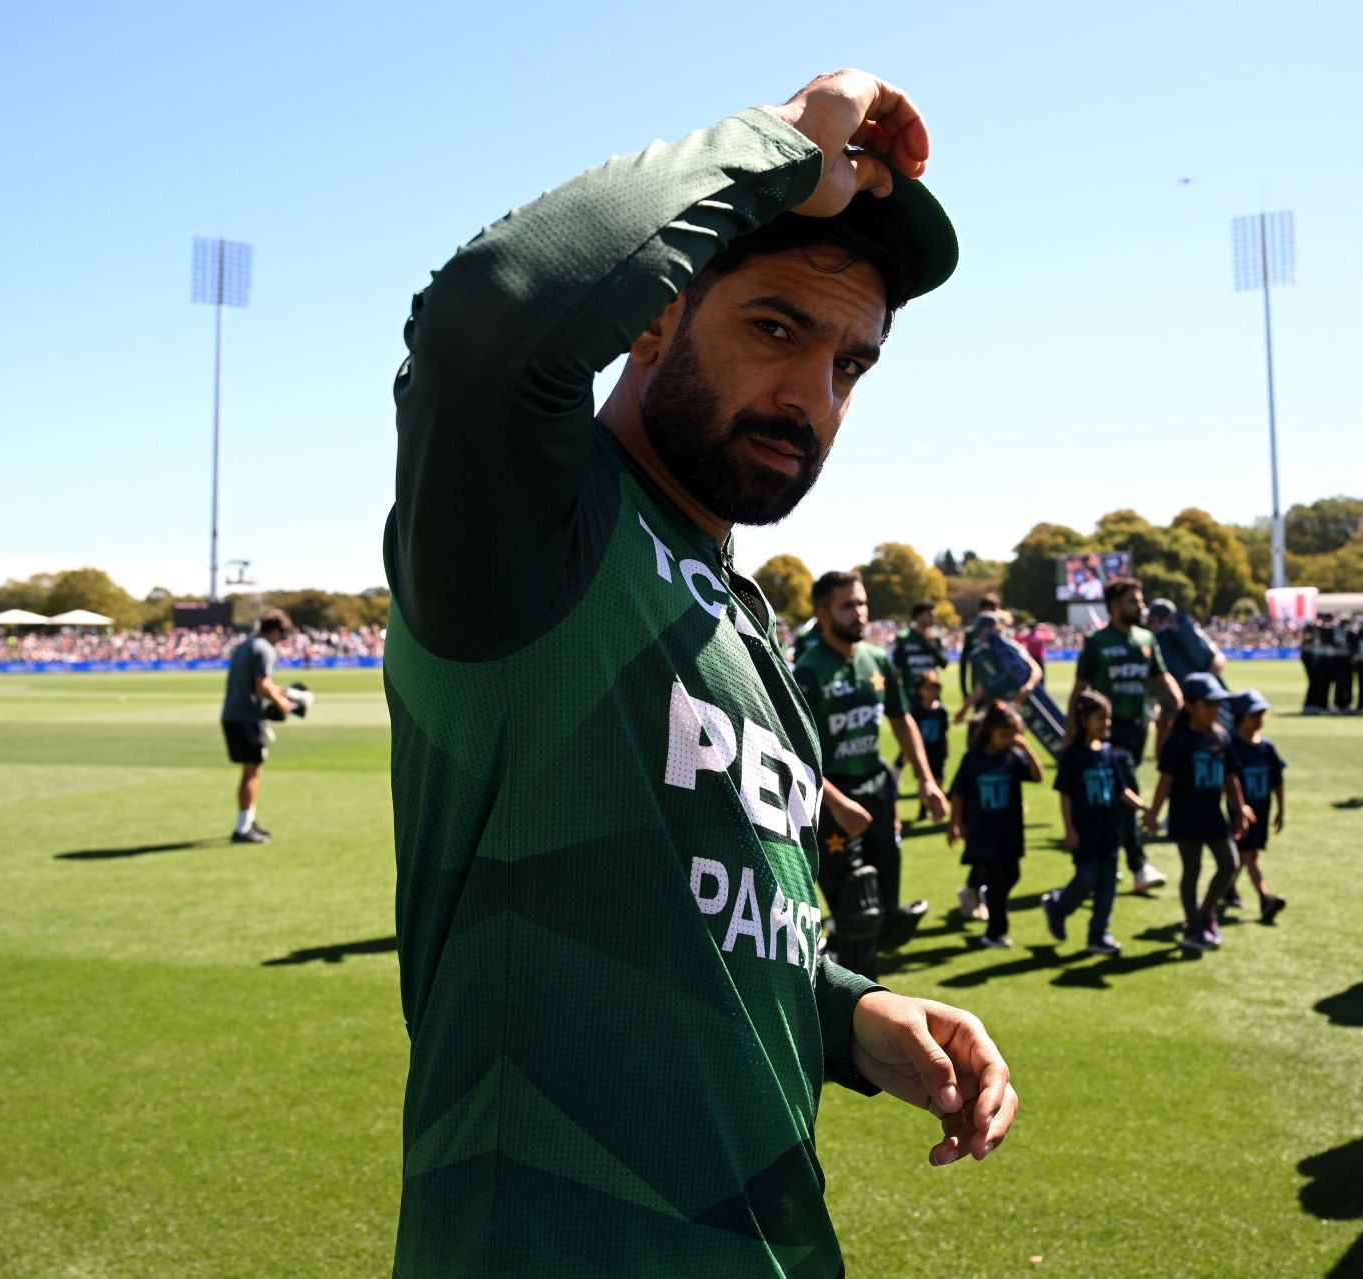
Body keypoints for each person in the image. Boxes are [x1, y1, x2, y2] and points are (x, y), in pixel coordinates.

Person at [381, 70, 1018, 1274]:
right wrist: (785, 141)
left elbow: (701, 916)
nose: (812, 396)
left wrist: (848, 1014)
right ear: (655, 321)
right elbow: (490, 311)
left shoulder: (746, 613)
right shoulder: (539, 537)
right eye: (775, 327)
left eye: (850, 364)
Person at [796, 570, 948, 977]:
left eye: (862, 603)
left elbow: (902, 722)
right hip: (832, 800)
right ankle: (853, 1011)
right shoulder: (808, 671)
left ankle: (847, 972)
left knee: (883, 913)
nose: (860, 613)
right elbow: (795, 751)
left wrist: (927, 780)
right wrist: (839, 803)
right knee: (857, 910)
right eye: (848, 605)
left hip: (878, 792)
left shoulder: (878, 659)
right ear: (823, 614)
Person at [1064, 576, 1177, 892]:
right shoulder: (1097, 642)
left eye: (1140, 601)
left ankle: (1105, 861)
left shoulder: (1146, 639)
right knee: (1126, 791)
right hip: (1106, 731)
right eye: (1133, 601)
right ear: (1114, 606)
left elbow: (1161, 677)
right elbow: (1080, 688)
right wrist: (1071, 727)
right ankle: (1139, 866)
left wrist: (1179, 707)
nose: (1140, 606)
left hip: (1138, 727)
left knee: (1112, 798)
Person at [1145, 672, 1252, 952]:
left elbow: (1231, 778)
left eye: (1218, 705)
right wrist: (1153, 814)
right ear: (1190, 706)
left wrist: (1240, 810)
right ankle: (1193, 927)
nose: (1215, 710)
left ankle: (1205, 913)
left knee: (1228, 864)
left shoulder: (1220, 736)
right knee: (1191, 870)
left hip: (1213, 815)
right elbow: (1165, 780)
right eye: (1208, 704)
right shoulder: (1178, 739)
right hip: (1185, 814)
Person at [1042, 691, 1144, 955]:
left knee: (1107, 884)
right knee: (1087, 878)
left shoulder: (1110, 753)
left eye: (1108, 719)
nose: (1106, 724)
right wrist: (1069, 829)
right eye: (1101, 719)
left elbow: (1121, 790)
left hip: (1109, 830)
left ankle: (1098, 935)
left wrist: (1145, 807)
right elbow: (1065, 795)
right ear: (1084, 719)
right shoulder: (1073, 755)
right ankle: (1058, 907)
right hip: (1085, 831)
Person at [948, 700, 1043, 947]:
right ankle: (994, 933)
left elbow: (1037, 776)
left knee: (1012, 874)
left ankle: (980, 895)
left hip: (1009, 829)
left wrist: (1027, 749)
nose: (1009, 740)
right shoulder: (973, 759)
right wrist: (954, 823)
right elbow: (959, 792)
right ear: (989, 731)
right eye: (1004, 735)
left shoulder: (1012, 756)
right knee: (998, 880)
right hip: (983, 830)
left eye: (1013, 735)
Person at [220, 609, 300, 844]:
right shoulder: (265, 649)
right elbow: (263, 685)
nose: (283, 639)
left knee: (250, 770)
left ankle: (247, 821)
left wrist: (281, 693)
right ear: (274, 629)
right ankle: (243, 828)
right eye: (283, 633)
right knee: (251, 772)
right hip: (247, 717)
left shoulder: (247, 645)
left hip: (234, 714)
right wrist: (283, 704)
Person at [1227, 690, 1288, 924]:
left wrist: (1281, 810)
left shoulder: (1267, 747)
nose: (1260, 719)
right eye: (1254, 715)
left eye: (1262, 714)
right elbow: (1226, 781)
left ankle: (1226, 887)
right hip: (1240, 811)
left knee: (1243, 857)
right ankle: (1265, 899)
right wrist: (1238, 807)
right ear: (1240, 717)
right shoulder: (1231, 745)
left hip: (1262, 810)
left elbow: (1277, 781)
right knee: (1249, 855)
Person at [891, 598, 947, 775]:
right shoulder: (904, 638)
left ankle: (931, 776)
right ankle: (897, 770)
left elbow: (944, 662)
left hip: (933, 697)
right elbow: (897, 667)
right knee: (913, 736)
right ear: (919, 616)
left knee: (933, 738)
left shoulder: (935, 638)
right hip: (912, 698)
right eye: (931, 615)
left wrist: (930, 645)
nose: (933, 618)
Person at [909, 669, 952, 823]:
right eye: (926, 687)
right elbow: (910, 733)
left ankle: (935, 806)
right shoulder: (916, 711)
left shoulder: (941, 711)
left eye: (934, 687)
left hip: (937, 751)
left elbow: (945, 732)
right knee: (923, 780)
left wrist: (946, 749)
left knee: (938, 779)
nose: (930, 691)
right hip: (922, 752)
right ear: (919, 690)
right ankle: (923, 807)